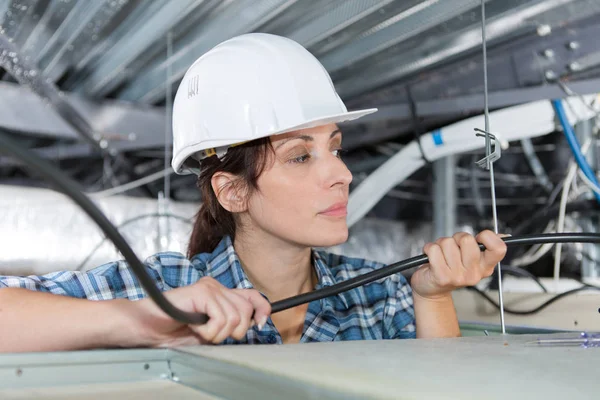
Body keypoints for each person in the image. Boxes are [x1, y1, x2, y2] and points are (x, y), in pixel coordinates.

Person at [0, 33, 506, 353]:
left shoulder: (383, 293)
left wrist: (433, 298)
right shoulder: (169, 286)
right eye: (301, 156)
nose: (343, 175)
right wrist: (143, 320)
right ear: (233, 191)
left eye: (336, 147)